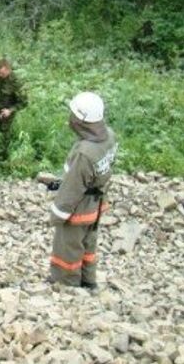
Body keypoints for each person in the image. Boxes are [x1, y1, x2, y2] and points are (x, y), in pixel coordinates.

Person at [49, 92, 117, 289]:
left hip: (80, 206)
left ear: (81, 120)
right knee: (88, 243)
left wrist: (57, 214)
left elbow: (72, 189)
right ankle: (88, 280)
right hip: (96, 203)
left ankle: (67, 283)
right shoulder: (109, 137)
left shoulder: (84, 153)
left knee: (68, 246)